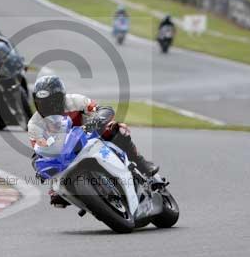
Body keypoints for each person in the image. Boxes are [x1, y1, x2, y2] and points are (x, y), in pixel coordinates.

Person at [28, 75, 159, 207]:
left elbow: (104, 109)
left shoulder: (75, 101)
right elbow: (38, 152)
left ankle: (142, 165)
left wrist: (95, 122)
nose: (47, 106)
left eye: (52, 101)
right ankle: (80, 196)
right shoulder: (35, 124)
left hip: (92, 134)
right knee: (56, 195)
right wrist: (40, 169)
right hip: (65, 154)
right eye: (41, 103)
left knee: (117, 129)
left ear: (61, 97)